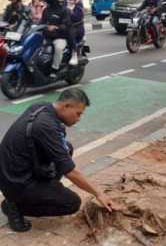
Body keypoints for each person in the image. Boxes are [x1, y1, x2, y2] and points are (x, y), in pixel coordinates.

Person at [0, 88, 118, 232]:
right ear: (66, 106)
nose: (78, 119)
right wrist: (98, 193)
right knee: (71, 203)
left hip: (14, 169)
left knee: (67, 148)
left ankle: (41, 191)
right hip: (16, 180)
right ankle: (14, 206)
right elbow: (70, 171)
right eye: (78, 114)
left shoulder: (41, 107)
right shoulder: (46, 125)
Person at [40, 0, 71, 78]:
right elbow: (42, 23)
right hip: (47, 36)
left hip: (60, 37)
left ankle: (54, 69)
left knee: (58, 48)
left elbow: (66, 24)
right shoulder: (46, 10)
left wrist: (56, 27)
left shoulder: (64, 10)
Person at [64, 0, 85, 66]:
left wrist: (69, 11)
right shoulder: (65, 2)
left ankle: (74, 53)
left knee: (70, 31)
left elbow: (77, 17)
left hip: (76, 28)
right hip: (65, 25)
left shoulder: (79, 4)